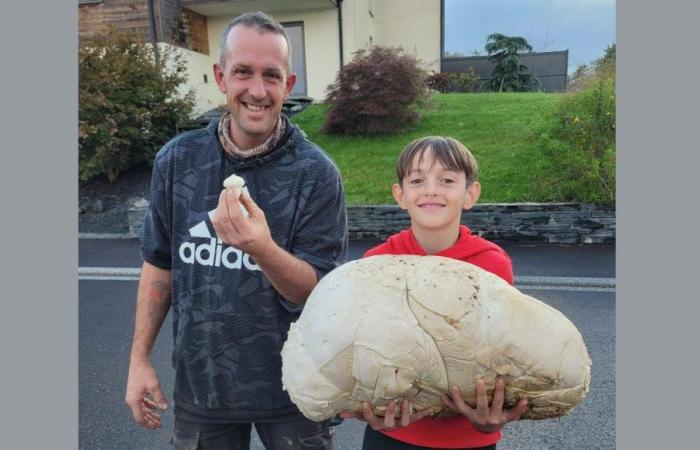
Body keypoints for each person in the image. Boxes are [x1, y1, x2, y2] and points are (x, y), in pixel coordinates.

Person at [124, 11, 348, 450]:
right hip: (203, 387)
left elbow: (319, 293)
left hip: (295, 392)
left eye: (272, 75)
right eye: (243, 72)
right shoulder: (177, 161)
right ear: (221, 76)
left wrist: (262, 249)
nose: (258, 91)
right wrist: (138, 359)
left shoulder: (316, 173)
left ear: (289, 83)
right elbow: (159, 265)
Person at [340, 136, 527, 450]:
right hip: (391, 434)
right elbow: (360, 355)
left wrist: (499, 412)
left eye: (447, 180)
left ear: (470, 193)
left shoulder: (492, 266)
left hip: (468, 438)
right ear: (400, 195)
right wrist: (365, 409)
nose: (430, 190)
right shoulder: (374, 264)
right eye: (417, 179)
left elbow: (502, 358)